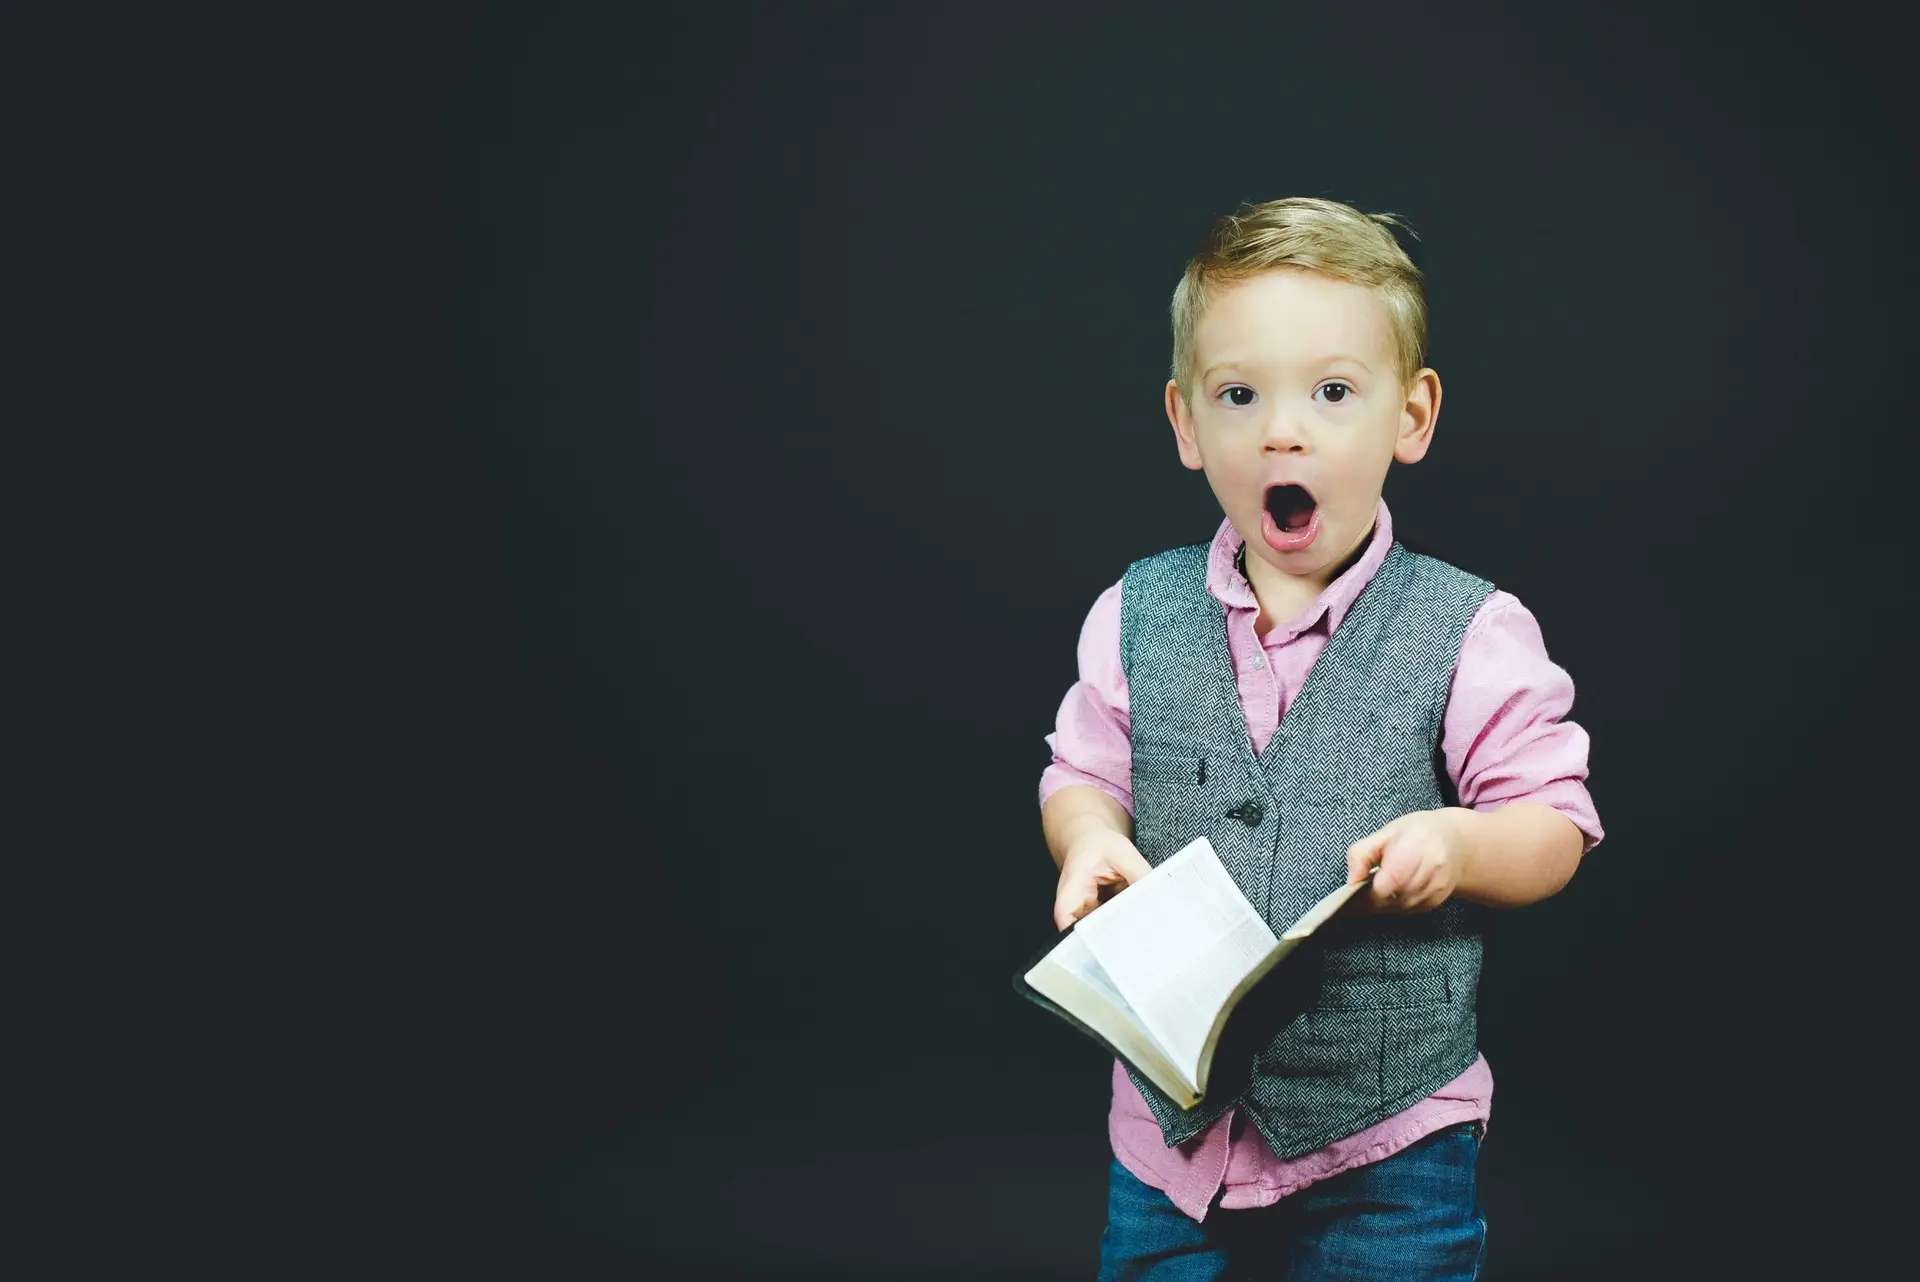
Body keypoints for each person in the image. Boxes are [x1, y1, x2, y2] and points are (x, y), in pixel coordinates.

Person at [1038, 196, 1603, 1280]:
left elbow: (1556, 825)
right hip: (1171, 1140)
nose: (1281, 431)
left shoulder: (1470, 630)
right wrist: (1088, 836)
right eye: (1238, 395)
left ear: (1411, 417)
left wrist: (1462, 845)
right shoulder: (1134, 613)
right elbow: (1082, 770)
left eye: (1332, 392)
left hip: (1388, 1138)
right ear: (1186, 425)